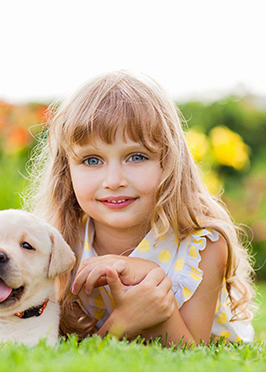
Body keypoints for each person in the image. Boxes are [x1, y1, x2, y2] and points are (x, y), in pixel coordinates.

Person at [24, 70, 255, 345]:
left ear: (168, 161)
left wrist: (156, 305)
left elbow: (193, 354)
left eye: (136, 156)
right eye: (92, 160)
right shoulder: (61, 245)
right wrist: (126, 320)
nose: (113, 181)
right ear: (66, 171)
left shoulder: (201, 246)